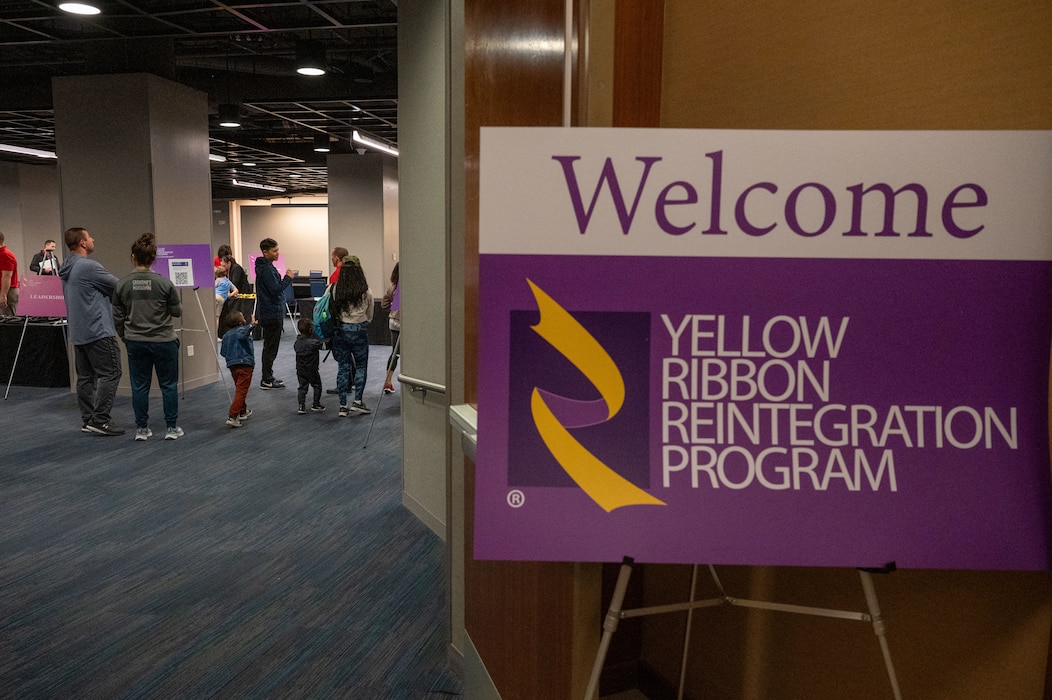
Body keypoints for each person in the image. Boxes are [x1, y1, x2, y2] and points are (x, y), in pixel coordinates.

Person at [112, 233, 184, 441]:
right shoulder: (164, 283)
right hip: (164, 341)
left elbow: (117, 316)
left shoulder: (122, 284)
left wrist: (125, 336)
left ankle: (142, 429)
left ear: (133, 256)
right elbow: (177, 312)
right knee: (168, 385)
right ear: (153, 258)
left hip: (136, 342)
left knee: (139, 386)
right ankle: (171, 428)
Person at [58, 227, 123, 435]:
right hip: (98, 331)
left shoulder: (67, 267)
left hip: (78, 332)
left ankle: (88, 420)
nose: (93, 239)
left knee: (85, 378)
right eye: (90, 237)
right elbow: (120, 288)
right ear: (83, 243)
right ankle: (100, 420)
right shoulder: (89, 267)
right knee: (111, 372)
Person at [330, 256, 373, 416]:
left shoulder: (334, 288)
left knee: (343, 367)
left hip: (340, 331)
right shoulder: (366, 291)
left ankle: (342, 406)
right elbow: (370, 316)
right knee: (361, 366)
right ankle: (358, 401)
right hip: (359, 331)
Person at [254, 237, 293, 389]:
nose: (277, 253)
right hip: (271, 312)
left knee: (269, 347)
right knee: (270, 347)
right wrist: (288, 278)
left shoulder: (266, 267)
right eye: (274, 251)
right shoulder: (267, 269)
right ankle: (266, 379)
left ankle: (268, 376)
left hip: (270, 311)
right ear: (265, 252)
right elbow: (275, 289)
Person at [220, 309, 256, 428]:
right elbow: (243, 333)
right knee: (241, 390)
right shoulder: (241, 331)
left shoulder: (225, 335)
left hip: (232, 366)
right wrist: (252, 325)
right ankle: (233, 415)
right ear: (240, 322)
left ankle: (242, 411)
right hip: (245, 364)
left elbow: (223, 352)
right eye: (243, 317)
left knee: (240, 388)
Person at [294, 317, 325, 414]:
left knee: (302, 387)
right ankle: (316, 404)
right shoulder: (314, 343)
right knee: (317, 385)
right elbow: (324, 345)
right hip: (312, 369)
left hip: (300, 369)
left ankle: (301, 406)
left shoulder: (297, 342)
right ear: (311, 330)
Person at [381, 262, 400, 394]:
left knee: (394, 354)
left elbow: (384, 304)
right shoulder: (405, 287)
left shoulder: (392, 286)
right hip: (404, 323)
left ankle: (388, 381)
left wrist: (392, 310)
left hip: (393, 323)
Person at [0, 230, 19, 317]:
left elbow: (6, 277)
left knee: (8, 321)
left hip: (8, 291)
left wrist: (3, 295)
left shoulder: (6, 255)